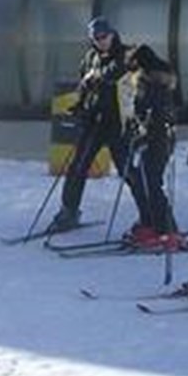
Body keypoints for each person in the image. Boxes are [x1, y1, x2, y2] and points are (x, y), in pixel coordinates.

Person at [45, 16, 128, 235]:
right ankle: (68, 212)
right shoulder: (91, 57)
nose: (101, 41)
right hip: (94, 122)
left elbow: (116, 73)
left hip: (117, 123)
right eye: (96, 38)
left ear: (112, 34)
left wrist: (97, 77)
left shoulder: (123, 54)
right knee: (77, 167)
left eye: (104, 36)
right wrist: (81, 105)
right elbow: (84, 85)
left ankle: (153, 216)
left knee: (128, 170)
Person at [119, 43, 188, 250]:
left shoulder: (150, 83)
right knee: (144, 180)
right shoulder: (156, 80)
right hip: (156, 138)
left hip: (157, 139)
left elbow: (152, 113)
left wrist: (141, 131)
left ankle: (166, 229)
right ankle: (151, 223)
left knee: (151, 182)